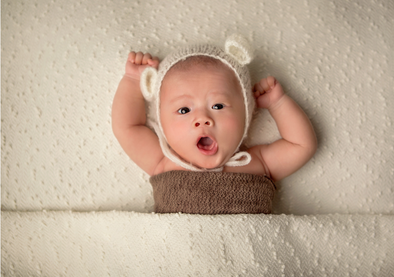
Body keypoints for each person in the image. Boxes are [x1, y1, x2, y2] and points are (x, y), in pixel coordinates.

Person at [112, 35, 317, 214]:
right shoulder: (163, 162)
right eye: (184, 110)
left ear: (246, 114)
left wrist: (278, 104)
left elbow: (301, 145)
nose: (202, 118)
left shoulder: (257, 162)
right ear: (162, 124)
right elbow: (128, 127)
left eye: (218, 105)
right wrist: (132, 81)